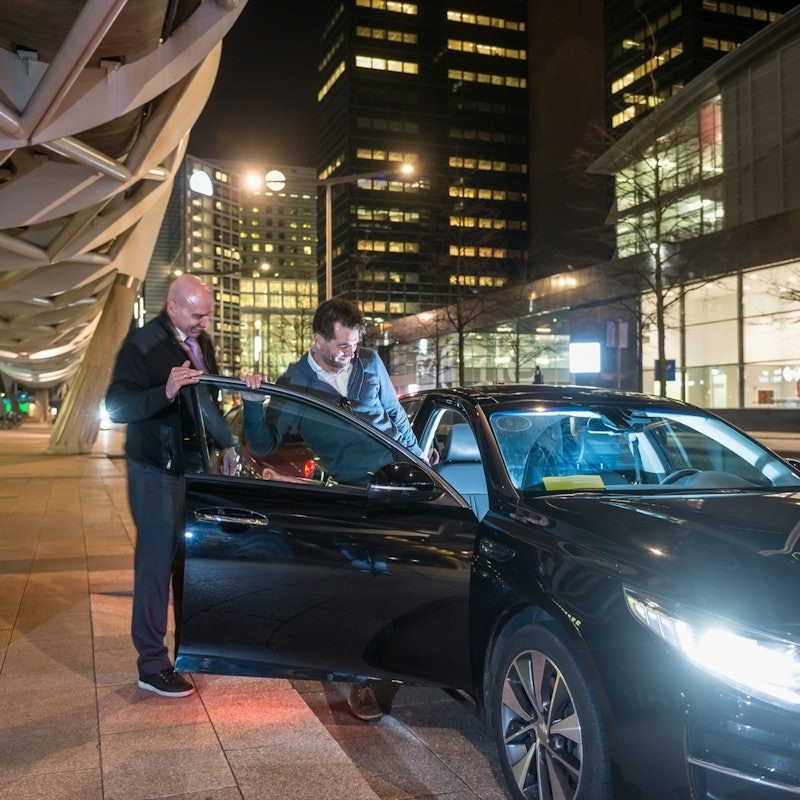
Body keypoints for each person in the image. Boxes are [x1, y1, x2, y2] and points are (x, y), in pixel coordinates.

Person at [241, 297, 427, 720]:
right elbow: (266, 445)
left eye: (354, 345)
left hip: (399, 483)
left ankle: (404, 662)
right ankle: (365, 682)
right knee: (365, 588)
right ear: (318, 339)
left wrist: (420, 467)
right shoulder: (295, 383)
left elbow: (396, 416)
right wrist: (252, 402)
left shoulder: (369, 361)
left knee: (409, 581)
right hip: (353, 495)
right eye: (342, 346)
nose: (349, 354)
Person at [105, 274, 236, 698]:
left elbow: (207, 404)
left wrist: (227, 444)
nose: (204, 322)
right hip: (155, 469)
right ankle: (151, 664)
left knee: (192, 564)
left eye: (207, 314)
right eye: (197, 315)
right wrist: (164, 390)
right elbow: (117, 405)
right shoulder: (142, 345)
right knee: (155, 567)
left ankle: (189, 652)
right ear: (173, 307)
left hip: (194, 467)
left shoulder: (202, 343)